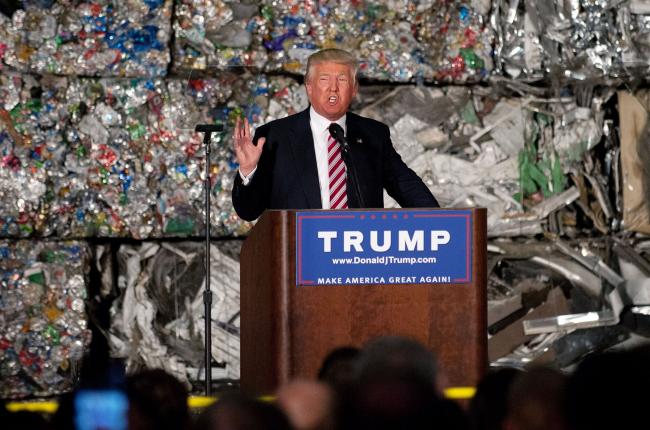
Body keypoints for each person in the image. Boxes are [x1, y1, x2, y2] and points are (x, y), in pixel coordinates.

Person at [232, 48, 439, 221]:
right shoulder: (274, 136)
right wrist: (249, 171)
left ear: (354, 89)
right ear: (309, 87)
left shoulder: (373, 135)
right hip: (299, 254)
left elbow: (406, 186)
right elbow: (248, 211)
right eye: (324, 79)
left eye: (342, 80)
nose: (333, 88)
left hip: (357, 256)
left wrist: (443, 222)